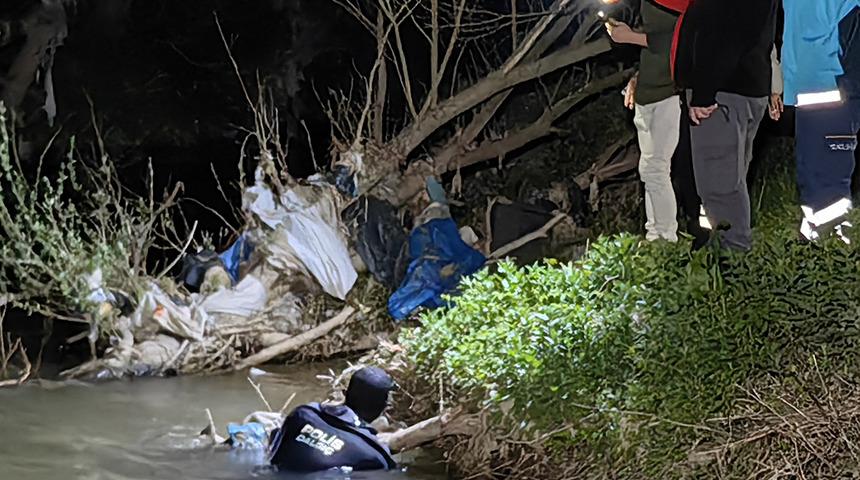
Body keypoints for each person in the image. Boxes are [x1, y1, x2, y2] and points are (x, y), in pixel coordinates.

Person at [655, 0, 779, 251]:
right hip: (743, 87)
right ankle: (726, 257)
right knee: (730, 181)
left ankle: (733, 266)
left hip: (724, 93)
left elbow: (724, 35)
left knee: (719, 186)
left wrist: (704, 92)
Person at [781, 1, 860, 243]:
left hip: (833, 96)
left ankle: (835, 253)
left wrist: (848, 90)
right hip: (807, 95)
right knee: (812, 176)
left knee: (829, 181)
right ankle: (814, 246)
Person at [605, 1, 684, 242]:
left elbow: (677, 40)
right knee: (649, 169)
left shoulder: (678, 5)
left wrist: (629, 37)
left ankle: (667, 236)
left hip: (669, 92)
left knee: (656, 167)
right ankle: (654, 234)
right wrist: (638, 78)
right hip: (647, 92)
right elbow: (653, 46)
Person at [268, 366, 398, 473]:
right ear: (383, 406)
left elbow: (273, 451)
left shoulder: (302, 414)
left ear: (344, 393)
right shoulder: (375, 456)